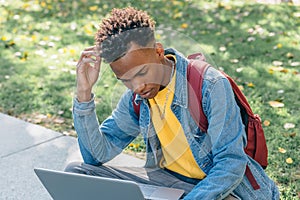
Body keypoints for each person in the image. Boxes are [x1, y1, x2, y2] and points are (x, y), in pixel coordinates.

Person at [65, 7, 279, 199]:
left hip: (223, 189)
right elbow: (95, 156)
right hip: (170, 184)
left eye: (142, 72)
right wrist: (84, 93)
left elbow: (230, 164)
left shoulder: (211, 86)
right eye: (126, 80)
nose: (137, 86)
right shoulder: (137, 98)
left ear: (158, 51)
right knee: (78, 172)